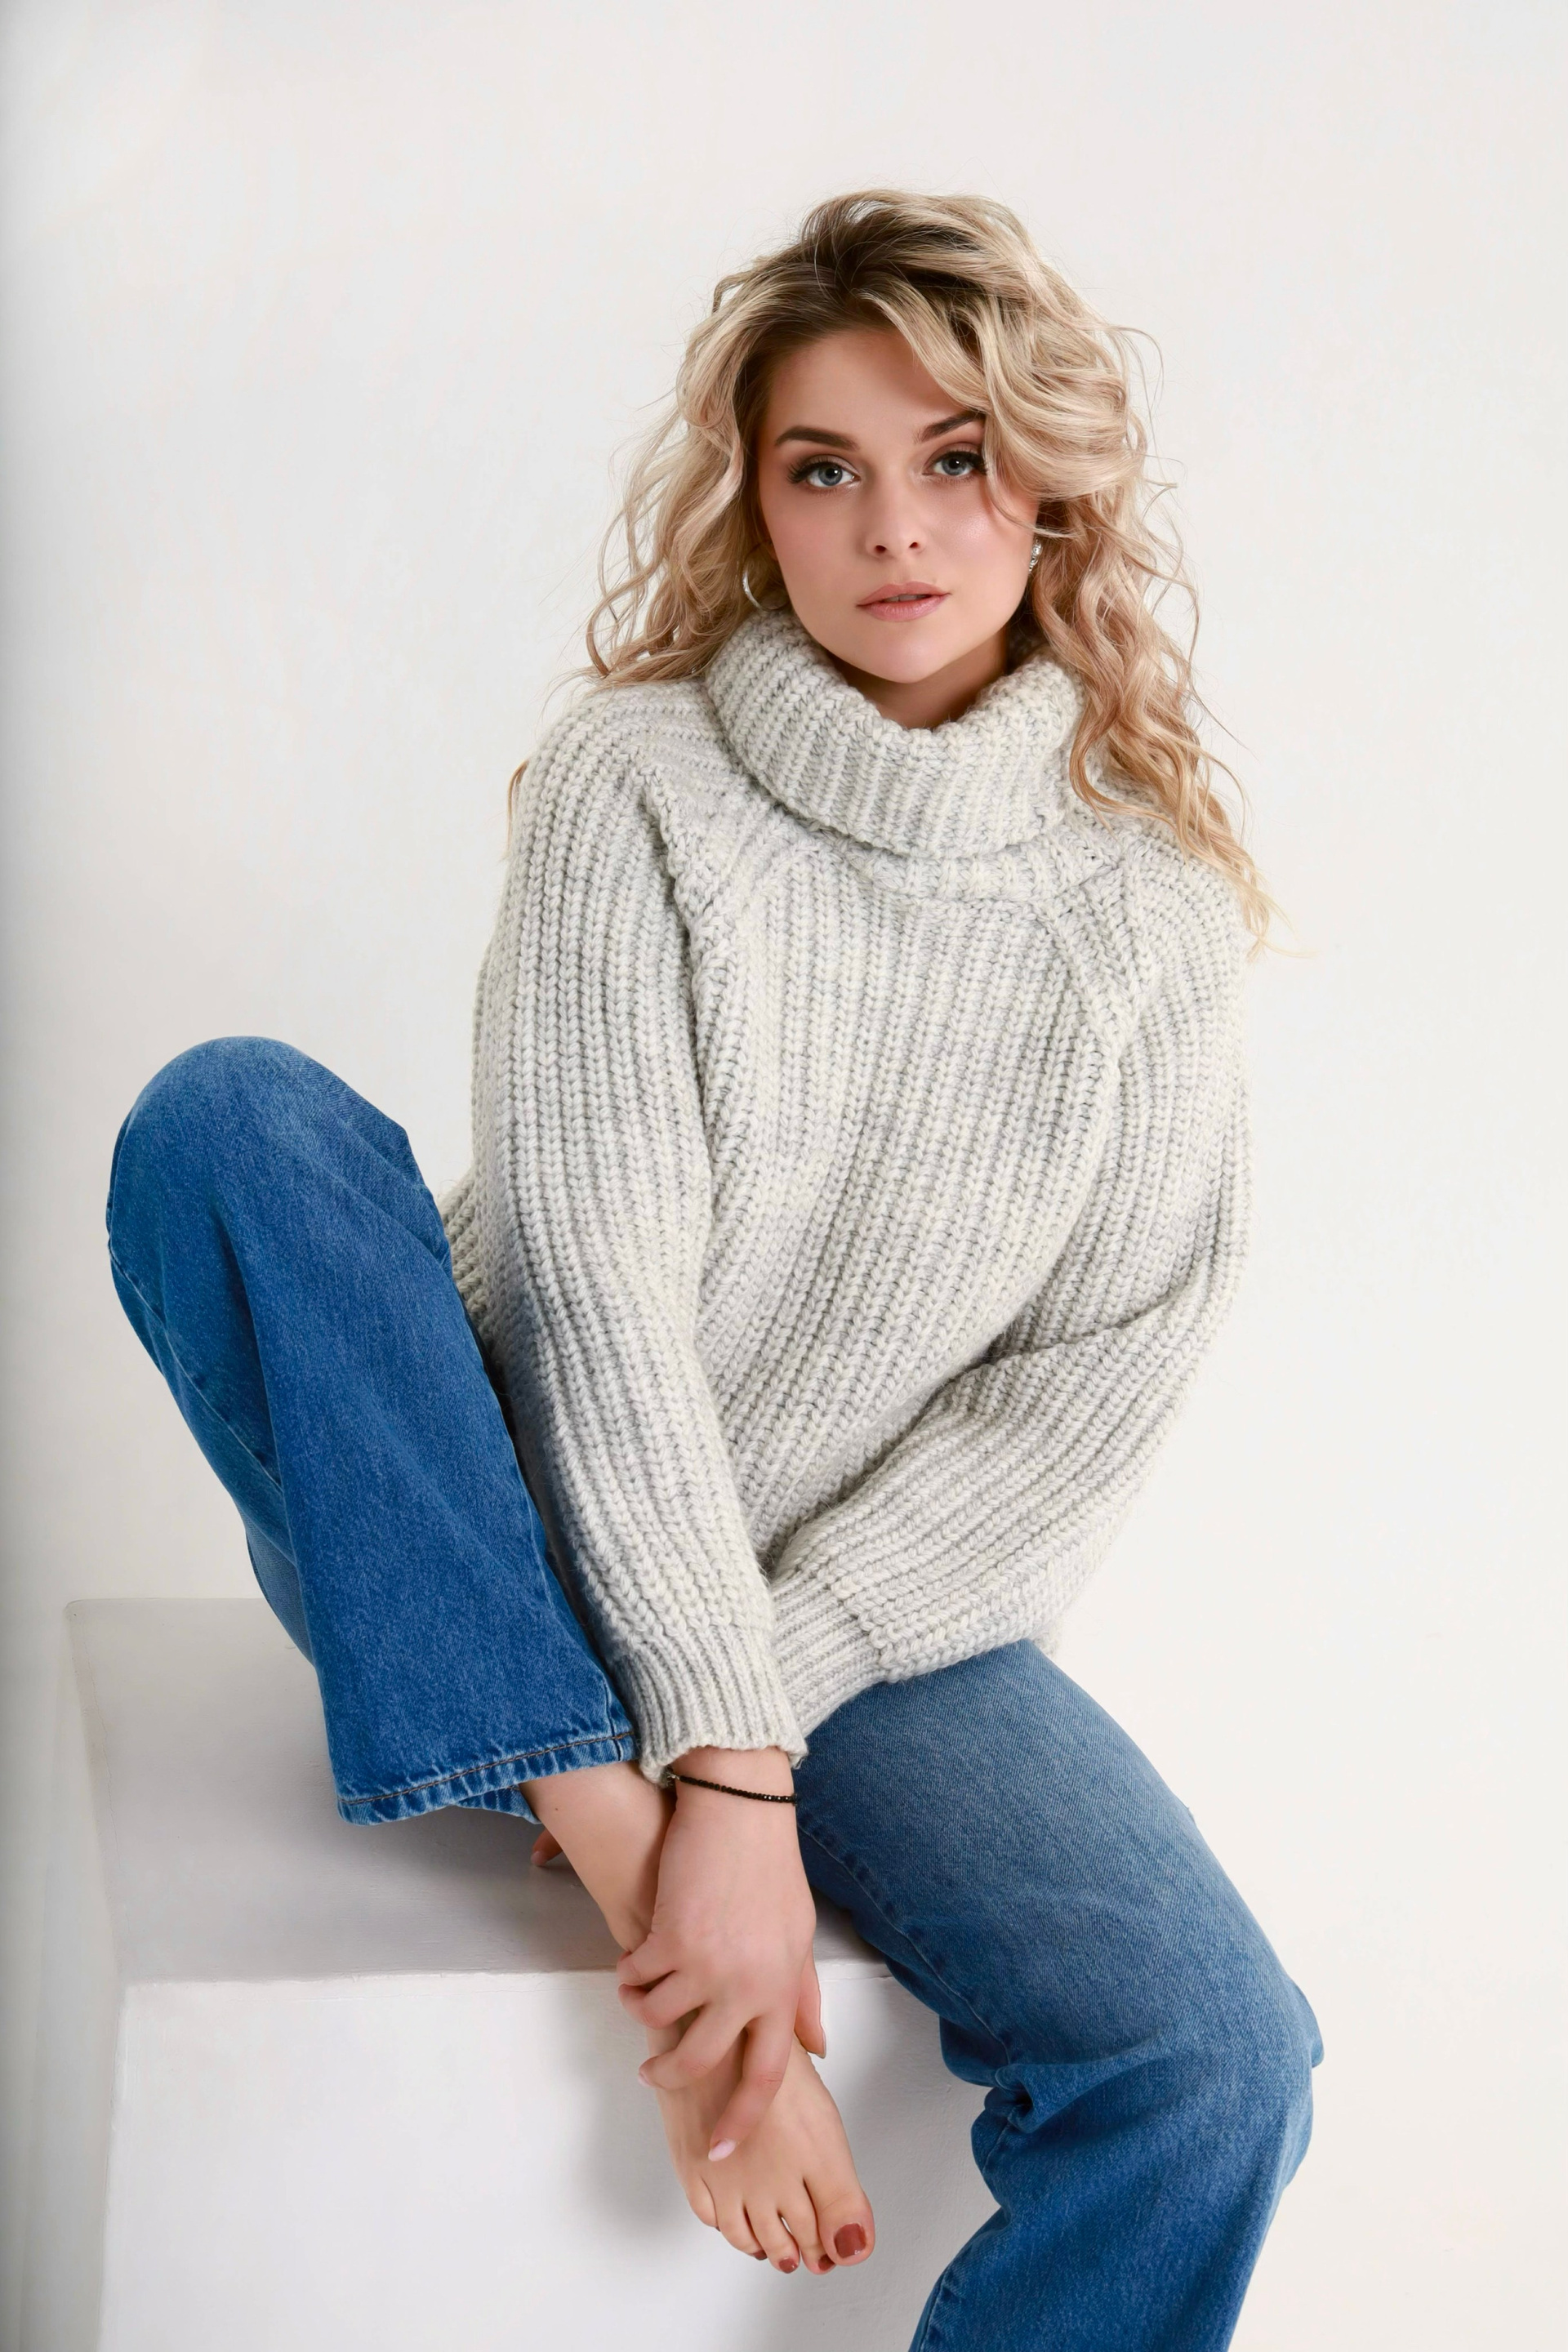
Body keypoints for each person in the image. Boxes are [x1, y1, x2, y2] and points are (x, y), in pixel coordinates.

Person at [105, 190, 1321, 2348]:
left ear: (1052, 486)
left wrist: (758, 1734)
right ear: (756, 503)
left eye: (955, 459)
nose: (895, 527)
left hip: (852, 1622)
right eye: (822, 468)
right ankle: (627, 1892)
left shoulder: (1149, 911)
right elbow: (599, 1292)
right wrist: (686, 1838)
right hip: (484, 1541)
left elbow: (1087, 1390)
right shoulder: (639, 781)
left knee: (1217, 2064)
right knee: (233, 1121)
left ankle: (670, 1853)